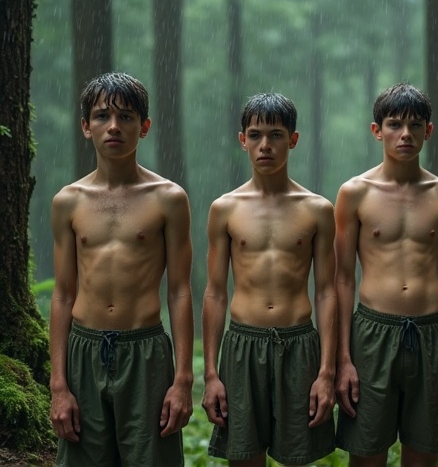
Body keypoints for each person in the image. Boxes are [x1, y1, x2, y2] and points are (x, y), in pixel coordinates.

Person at [49, 72, 194, 467]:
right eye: (101, 117)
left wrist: (183, 380)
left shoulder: (168, 199)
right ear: (85, 127)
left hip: (145, 351)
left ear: (144, 127)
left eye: (126, 117)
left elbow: (180, 291)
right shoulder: (68, 201)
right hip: (83, 350)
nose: (114, 127)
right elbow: (63, 294)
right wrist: (58, 384)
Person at [334, 83, 438, 467]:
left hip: (431, 334)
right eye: (395, 124)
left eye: (415, 125)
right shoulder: (354, 193)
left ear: (429, 130)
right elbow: (342, 280)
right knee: (366, 453)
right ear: (377, 130)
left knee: (424, 455)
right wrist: (342, 358)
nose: (405, 134)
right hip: (371, 335)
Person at [201, 93, 337, 466]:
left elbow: (327, 292)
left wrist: (327, 372)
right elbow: (214, 293)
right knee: (244, 457)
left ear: (293, 140)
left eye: (276, 135)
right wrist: (211, 374)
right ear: (242, 139)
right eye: (256, 134)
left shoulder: (317, 210)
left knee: (298, 457)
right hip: (243, 344)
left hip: (299, 343)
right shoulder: (225, 209)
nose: (265, 145)